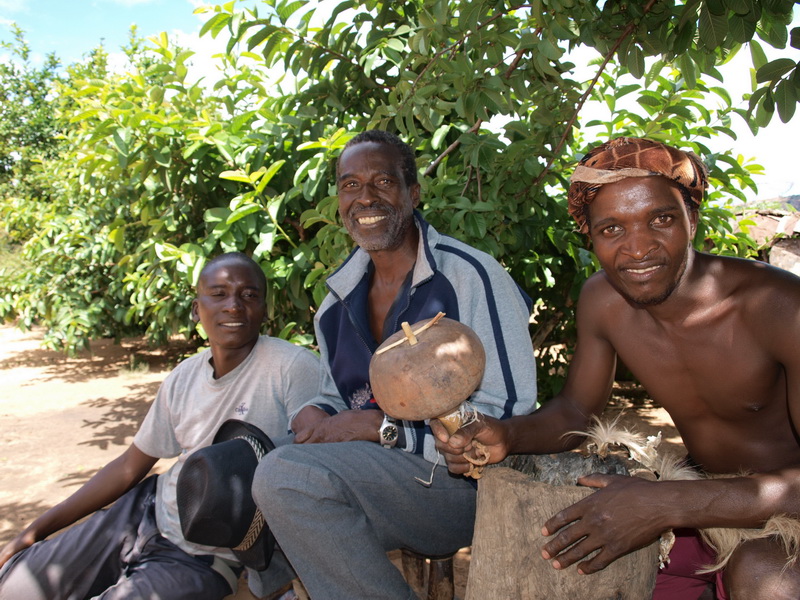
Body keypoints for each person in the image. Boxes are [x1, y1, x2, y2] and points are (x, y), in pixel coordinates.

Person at [432, 136, 800, 600]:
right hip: (704, 499)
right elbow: (573, 412)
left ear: (693, 218)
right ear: (590, 237)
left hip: (786, 510)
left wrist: (664, 504)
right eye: (612, 229)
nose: (638, 248)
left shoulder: (780, 309)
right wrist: (508, 435)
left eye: (660, 219)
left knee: (766, 577)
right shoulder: (603, 301)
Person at [251, 129, 538, 599]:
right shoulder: (336, 303)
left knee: (287, 478)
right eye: (350, 185)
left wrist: (383, 428)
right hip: (380, 479)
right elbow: (338, 394)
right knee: (240, 471)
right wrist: (317, 412)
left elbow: (508, 412)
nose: (365, 197)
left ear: (413, 194)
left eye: (383, 182)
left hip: (465, 485)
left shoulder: (468, 276)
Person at [0, 252, 320, 600]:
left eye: (249, 295)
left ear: (264, 309)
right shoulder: (183, 377)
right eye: (219, 293)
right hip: (142, 512)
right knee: (15, 586)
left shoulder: (291, 367)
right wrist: (36, 530)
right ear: (197, 309)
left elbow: (315, 446)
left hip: (204, 555)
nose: (234, 306)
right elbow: (128, 467)